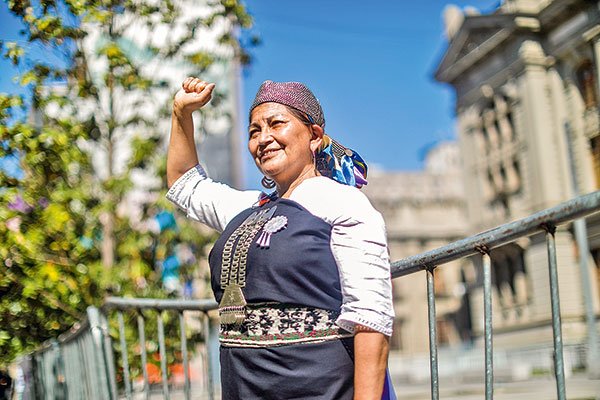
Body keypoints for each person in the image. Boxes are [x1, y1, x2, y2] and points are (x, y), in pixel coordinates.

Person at [166, 77, 395, 399]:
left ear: (314, 135)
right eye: (254, 131)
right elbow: (183, 185)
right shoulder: (246, 207)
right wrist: (181, 113)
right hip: (244, 386)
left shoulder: (343, 203)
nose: (264, 138)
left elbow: (370, 317)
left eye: (277, 124)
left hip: (318, 387)